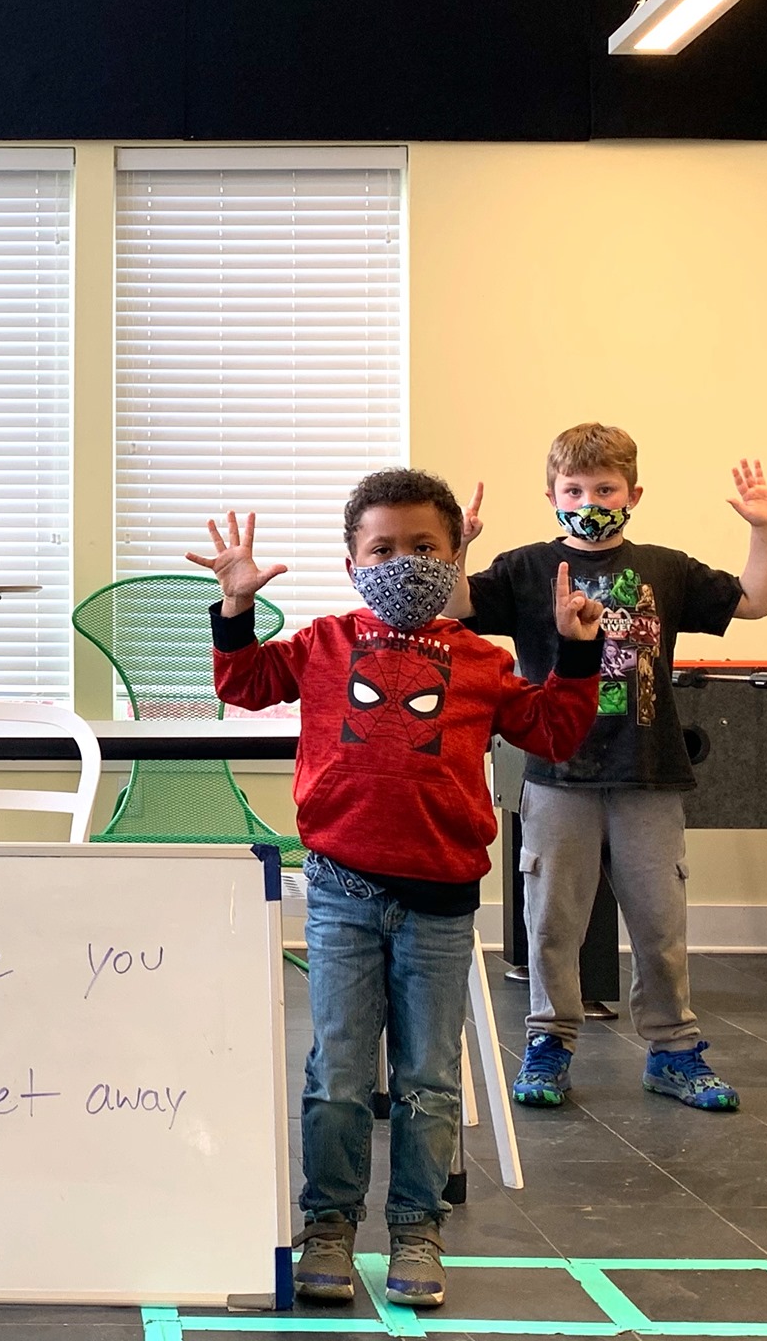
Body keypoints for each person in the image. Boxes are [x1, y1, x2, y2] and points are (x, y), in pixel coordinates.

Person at [193, 470, 601, 1309]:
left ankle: (418, 1226)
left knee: (427, 1078)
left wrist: (579, 650)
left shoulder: (482, 662)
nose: (403, 562)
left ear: (457, 562)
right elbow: (243, 685)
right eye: (382, 548)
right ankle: (330, 1225)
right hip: (342, 893)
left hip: (441, 905)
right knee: (338, 1073)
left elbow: (556, 727)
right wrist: (235, 607)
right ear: (351, 562)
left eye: (425, 548)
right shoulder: (324, 643)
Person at [450, 424, 767, 1114]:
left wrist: (765, 530)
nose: (589, 500)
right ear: (551, 495)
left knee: (661, 922)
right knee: (552, 920)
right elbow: (456, 609)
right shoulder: (526, 568)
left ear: (633, 494)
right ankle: (548, 1042)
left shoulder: (666, 567)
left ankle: (673, 1050)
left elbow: (753, 600)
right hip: (556, 770)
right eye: (574, 489)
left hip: (647, 771)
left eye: (604, 489)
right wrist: (460, 548)